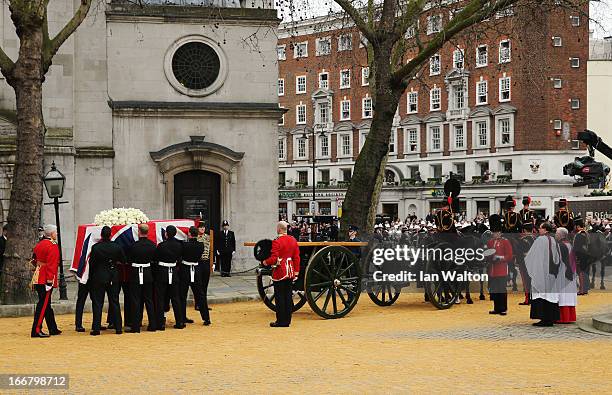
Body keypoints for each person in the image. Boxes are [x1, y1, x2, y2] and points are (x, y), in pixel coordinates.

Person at [88, 226, 126, 335]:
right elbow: (123, 260)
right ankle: (118, 328)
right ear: (110, 235)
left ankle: (96, 328)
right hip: (113, 276)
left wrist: (91, 278)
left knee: (98, 303)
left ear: (101, 235)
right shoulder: (117, 247)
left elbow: (92, 264)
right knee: (114, 301)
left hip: (99, 277)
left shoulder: (96, 247)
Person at [262, 221, 300, 327]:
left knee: (280, 297)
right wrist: (296, 272)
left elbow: (274, 258)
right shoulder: (293, 240)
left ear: (279, 229)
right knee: (288, 296)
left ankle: (280, 321)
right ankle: (287, 320)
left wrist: (265, 262)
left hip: (280, 272)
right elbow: (296, 257)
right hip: (290, 270)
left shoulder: (277, 241)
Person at [525, 221, 561, 327]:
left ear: (545, 230)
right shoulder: (553, 240)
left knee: (541, 294)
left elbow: (533, 256)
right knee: (550, 295)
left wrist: (526, 257)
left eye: (540, 228)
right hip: (551, 272)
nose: (538, 230)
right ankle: (551, 318)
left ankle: (544, 318)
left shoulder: (540, 240)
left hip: (542, 271)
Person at [31, 224, 61, 338]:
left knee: (46, 304)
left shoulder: (40, 244)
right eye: (56, 232)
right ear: (52, 234)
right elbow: (52, 265)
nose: (57, 234)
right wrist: (49, 281)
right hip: (45, 279)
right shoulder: (52, 245)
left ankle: (52, 328)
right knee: (43, 305)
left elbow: (34, 260)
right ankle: (36, 329)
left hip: (38, 275)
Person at [127, 224, 157, 333]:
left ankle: (135, 326)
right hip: (148, 273)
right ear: (147, 232)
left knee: (135, 300)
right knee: (149, 300)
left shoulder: (133, 246)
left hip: (136, 273)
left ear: (139, 232)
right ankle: (152, 325)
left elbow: (129, 260)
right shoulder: (152, 245)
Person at [154, 225, 185, 330]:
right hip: (173, 272)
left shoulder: (161, 245)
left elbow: (156, 258)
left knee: (160, 298)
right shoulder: (179, 245)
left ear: (166, 234)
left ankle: (160, 323)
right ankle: (180, 321)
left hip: (162, 272)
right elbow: (179, 259)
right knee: (175, 298)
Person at [179, 226, 211, 326]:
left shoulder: (184, 245)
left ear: (189, 234)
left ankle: (182, 318)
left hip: (185, 270)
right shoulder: (201, 245)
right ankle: (206, 318)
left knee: (182, 295)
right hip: (196, 270)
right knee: (200, 294)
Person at [486, 215, 513, 316]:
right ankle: (496, 308)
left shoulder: (505, 242)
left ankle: (503, 308)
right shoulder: (490, 242)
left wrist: (500, 258)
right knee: (494, 290)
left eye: (496, 232)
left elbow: (509, 256)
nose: (494, 234)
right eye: (493, 232)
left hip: (501, 269)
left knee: (501, 289)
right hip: (492, 269)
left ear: (500, 233)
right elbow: (487, 254)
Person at [555, 227, 577, 324]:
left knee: (562, 295)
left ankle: (562, 317)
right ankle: (570, 316)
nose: (555, 235)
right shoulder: (570, 244)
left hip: (562, 273)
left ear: (560, 235)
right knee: (569, 295)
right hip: (571, 272)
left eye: (556, 233)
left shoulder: (559, 245)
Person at [573, 216, 591, 295]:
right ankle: (586, 288)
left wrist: (575, 256)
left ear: (577, 226)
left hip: (580, 256)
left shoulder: (579, 235)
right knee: (586, 272)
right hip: (587, 255)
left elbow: (576, 247)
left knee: (580, 272)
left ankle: (582, 289)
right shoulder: (587, 233)